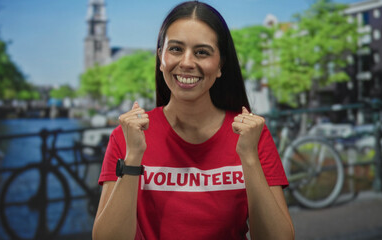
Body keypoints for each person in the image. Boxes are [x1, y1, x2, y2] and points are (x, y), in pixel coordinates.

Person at [92, 1, 295, 239]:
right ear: (160, 58)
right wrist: (133, 157)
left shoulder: (252, 135)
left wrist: (249, 158)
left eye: (202, 52)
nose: (187, 63)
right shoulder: (127, 136)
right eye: (176, 49)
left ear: (220, 65)